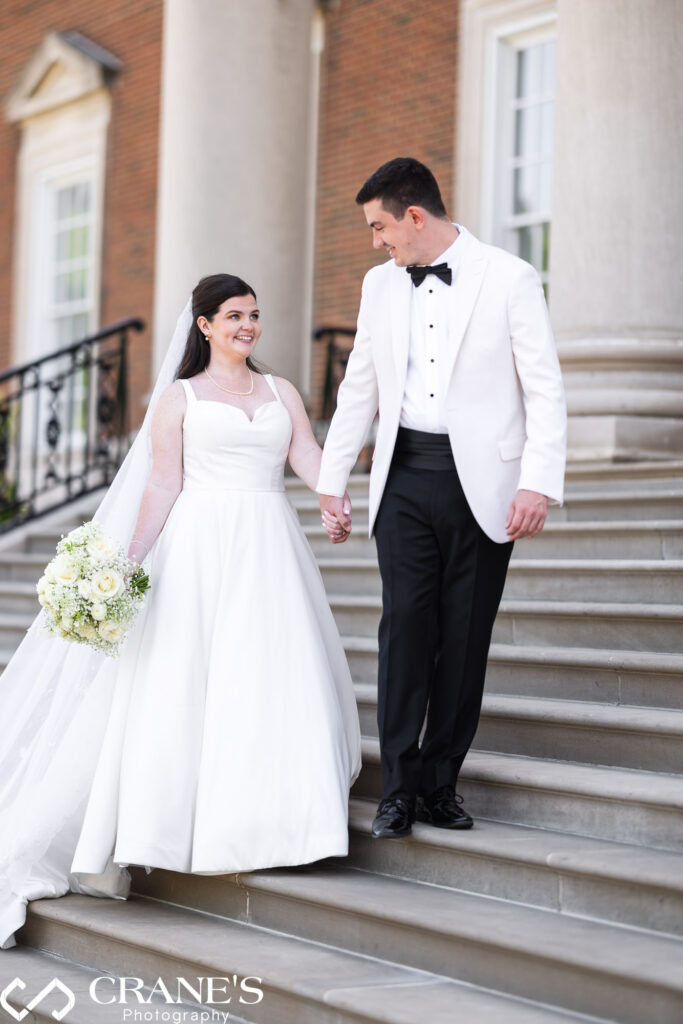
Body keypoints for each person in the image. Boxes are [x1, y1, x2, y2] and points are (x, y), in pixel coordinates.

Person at [0, 273, 361, 950]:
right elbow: (163, 482)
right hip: (198, 549)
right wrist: (124, 565)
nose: (247, 326)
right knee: (190, 681)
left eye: (254, 315)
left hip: (270, 547)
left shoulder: (280, 391)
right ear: (203, 325)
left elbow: (307, 456)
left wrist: (333, 498)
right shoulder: (180, 398)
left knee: (271, 675)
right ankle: (182, 824)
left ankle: (284, 822)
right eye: (233, 316)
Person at [317, 157, 566, 839]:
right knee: (404, 631)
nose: (376, 242)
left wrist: (537, 480)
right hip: (402, 480)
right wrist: (331, 480)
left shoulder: (509, 277)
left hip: (480, 483)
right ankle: (396, 789)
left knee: (463, 639)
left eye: (379, 227)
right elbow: (359, 386)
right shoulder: (378, 285)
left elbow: (542, 385)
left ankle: (439, 783)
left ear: (414, 217)